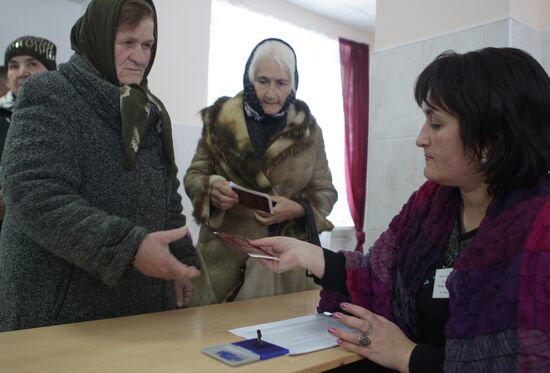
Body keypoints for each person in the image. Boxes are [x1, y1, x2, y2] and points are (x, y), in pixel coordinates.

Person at [254, 47, 550, 372]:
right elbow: (379, 276)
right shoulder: (430, 206)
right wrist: (308, 254)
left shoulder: (540, 229)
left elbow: (524, 362)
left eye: (436, 124)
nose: (421, 138)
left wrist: (407, 354)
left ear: (490, 141)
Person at [0, 0, 199, 332]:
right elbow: (32, 194)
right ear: (98, 37)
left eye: (147, 44)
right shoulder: (51, 92)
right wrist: (128, 246)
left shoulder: (147, 109)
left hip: (135, 305)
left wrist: (181, 262)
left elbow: (166, 195)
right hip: (59, 312)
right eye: (127, 43)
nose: (140, 56)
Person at [184, 38, 337, 305]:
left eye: (281, 83)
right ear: (249, 78)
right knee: (212, 340)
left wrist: (299, 208)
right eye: (263, 81)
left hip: (282, 264)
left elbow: (325, 192)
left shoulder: (310, 133)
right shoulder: (220, 120)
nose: (271, 93)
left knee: (275, 340)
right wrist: (213, 189)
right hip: (224, 262)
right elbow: (195, 176)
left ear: (294, 84)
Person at [0, 36, 57, 231]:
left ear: (51, 72)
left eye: (32, 63)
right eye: (13, 66)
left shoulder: (64, 117)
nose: (22, 72)